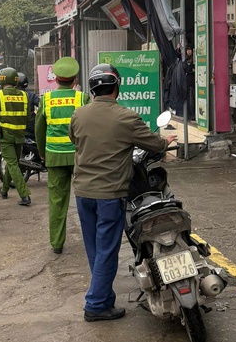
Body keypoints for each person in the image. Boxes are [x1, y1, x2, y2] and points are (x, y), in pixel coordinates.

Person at [69, 64, 176, 322]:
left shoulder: (79, 115)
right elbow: (152, 142)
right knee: (107, 250)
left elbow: (76, 140)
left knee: (95, 249)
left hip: (83, 192)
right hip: (110, 193)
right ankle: (95, 305)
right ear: (117, 87)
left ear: (93, 89)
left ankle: (104, 298)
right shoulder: (126, 117)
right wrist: (166, 143)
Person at [35, 57, 90, 254]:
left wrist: (42, 153)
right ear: (74, 80)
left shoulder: (46, 100)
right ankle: (91, 240)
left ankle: (57, 243)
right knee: (87, 198)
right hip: (80, 157)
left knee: (57, 201)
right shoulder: (82, 98)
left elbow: (39, 129)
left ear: (56, 79)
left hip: (55, 157)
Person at [0, 67, 31, 206]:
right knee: (12, 163)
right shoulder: (24, 95)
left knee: (12, 164)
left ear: (2, 80)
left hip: (6, 137)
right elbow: (27, 117)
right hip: (20, 135)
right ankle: (4, 189)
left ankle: (24, 194)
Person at [16, 73, 39, 141]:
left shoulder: (9, 97)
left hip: (14, 129)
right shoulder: (31, 95)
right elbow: (41, 105)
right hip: (30, 128)